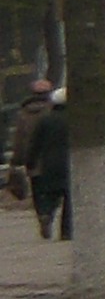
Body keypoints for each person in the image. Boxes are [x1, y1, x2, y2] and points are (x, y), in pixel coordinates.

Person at [27, 88, 69, 242]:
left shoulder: (45, 120)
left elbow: (35, 144)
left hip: (49, 163)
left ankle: (46, 214)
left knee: (50, 193)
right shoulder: (76, 120)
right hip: (70, 162)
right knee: (69, 197)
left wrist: (30, 162)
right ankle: (66, 231)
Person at [7, 75, 49, 207]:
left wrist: (16, 161)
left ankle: (42, 215)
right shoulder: (53, 111)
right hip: (52, 160)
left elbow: (19, 139)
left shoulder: (23, 114)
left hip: (32, 161)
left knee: (37, 190)